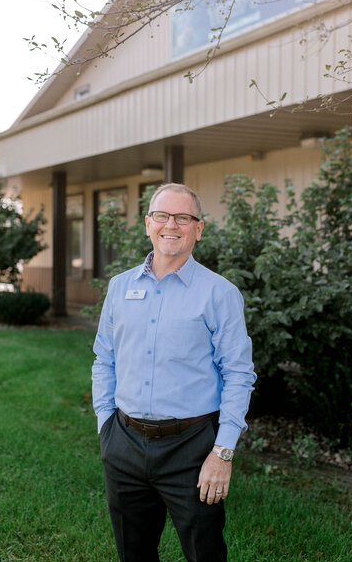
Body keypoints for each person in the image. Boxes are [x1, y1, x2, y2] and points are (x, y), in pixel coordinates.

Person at [92, 183, 256, 562]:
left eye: (184, 217)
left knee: (205, 554)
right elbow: (104, 359)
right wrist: (106, 424)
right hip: (124, 442)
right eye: (163, 216)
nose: (172, 225)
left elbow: (238, 374)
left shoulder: (220, 293)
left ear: (198, 228)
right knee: (133, 553)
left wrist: (223, 453)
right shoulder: (120, 288)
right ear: (148, 224)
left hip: (193, 447)